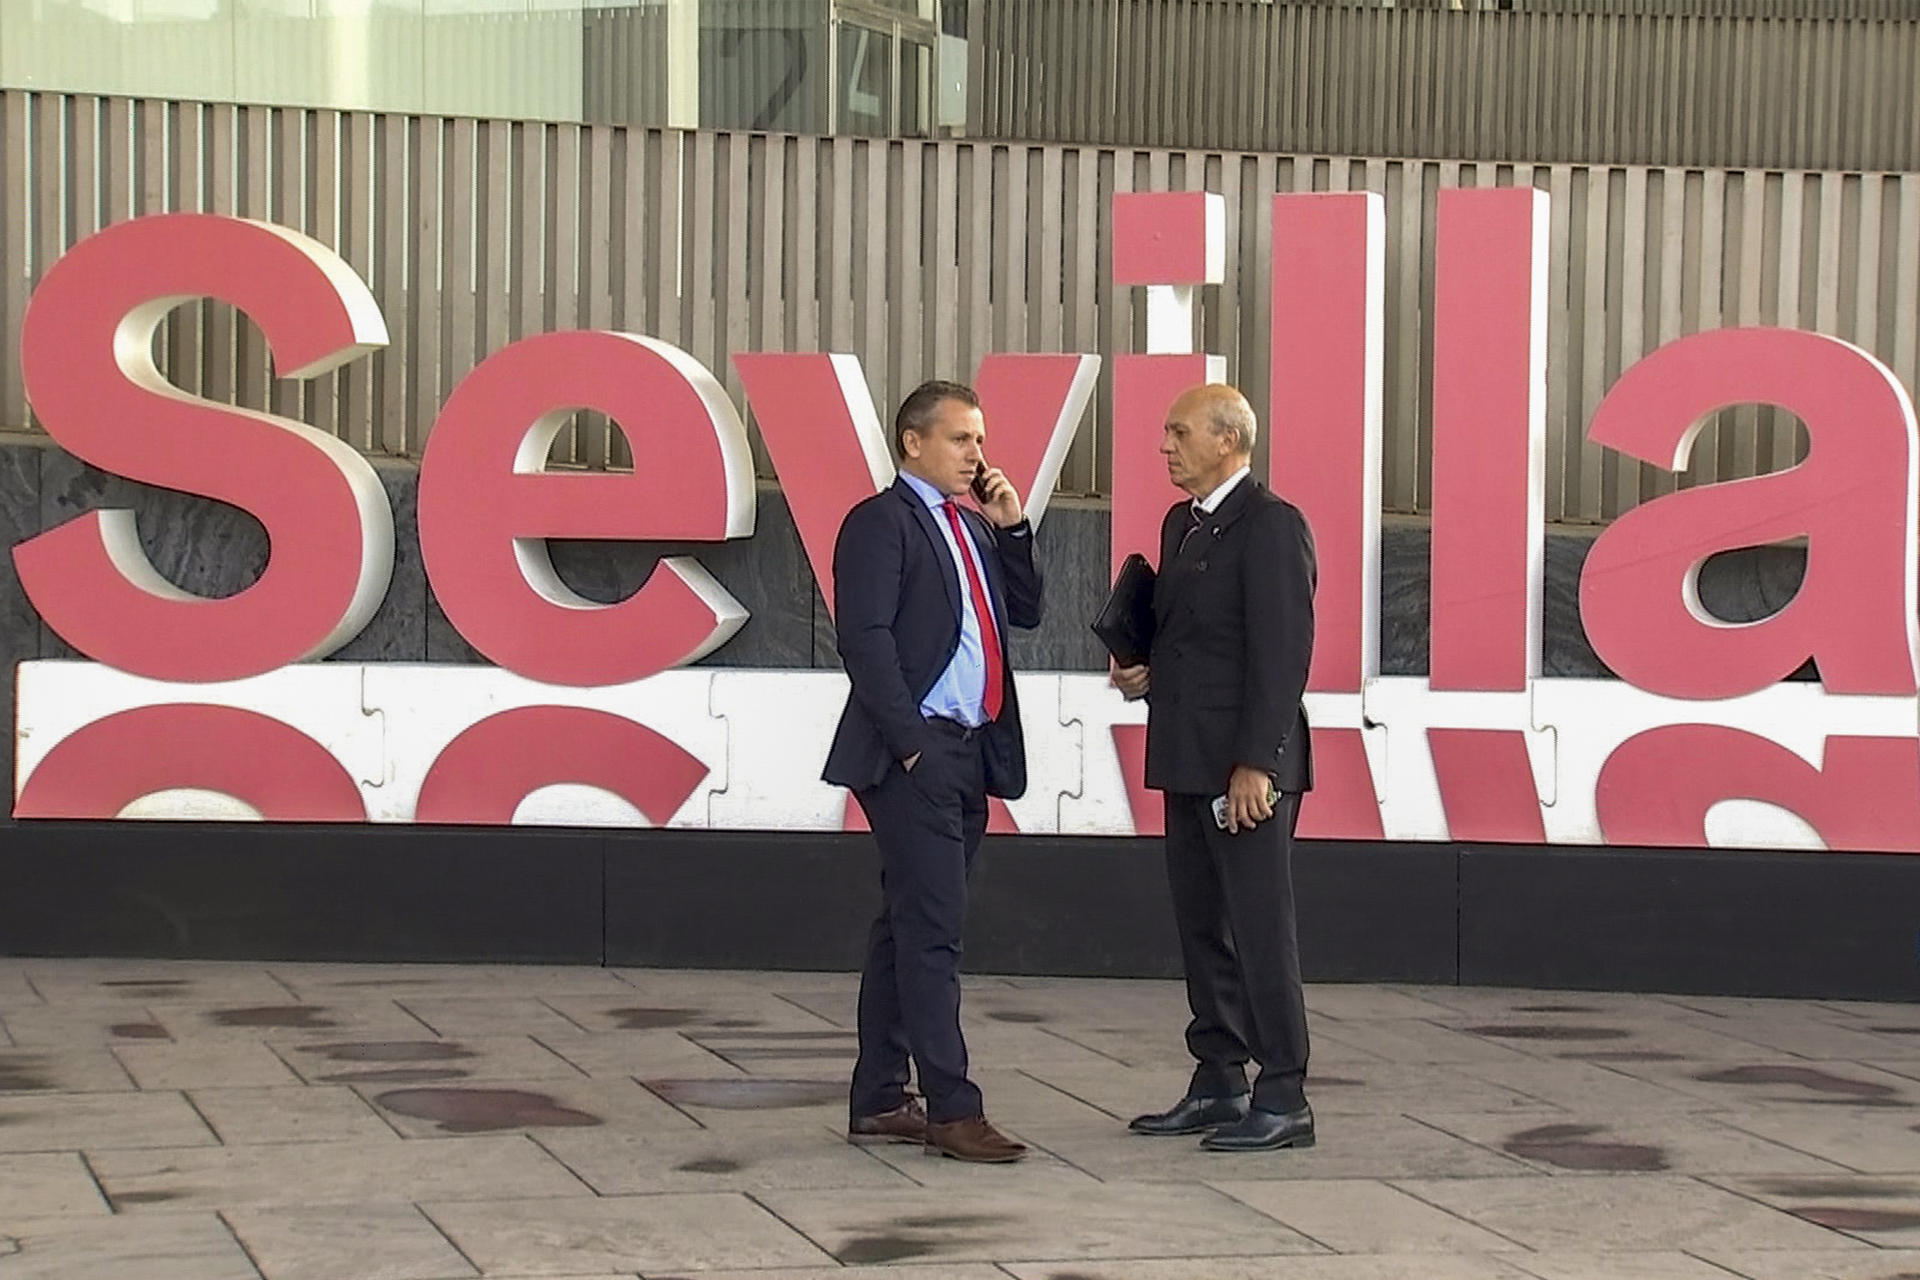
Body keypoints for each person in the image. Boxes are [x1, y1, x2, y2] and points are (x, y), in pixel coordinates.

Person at [823, 379, 1042, 1164]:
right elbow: (866, 640)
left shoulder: (973, 526)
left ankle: (881, 1096)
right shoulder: (882, 524)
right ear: (913, 442)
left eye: (980, 440)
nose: (977, 455)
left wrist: (1013, 529)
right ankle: (953, 1108)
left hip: (971, 749)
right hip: (913, 753)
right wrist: (911, 744)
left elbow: (1025, 611)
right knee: (934, 934)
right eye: (961, 440)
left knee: (907, 925)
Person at [1110, 383, 1318, 1153]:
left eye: (1179, 431)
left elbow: (1281, 652)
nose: (1165, 444)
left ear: (1229, 441)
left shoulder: (1270, 526)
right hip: (1186, 758)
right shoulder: (1181, 526)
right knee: (1202, 928)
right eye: (1165, 431)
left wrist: (1255, 764)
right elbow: (1199, 637)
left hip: (1244, 770)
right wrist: (1149, 671)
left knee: (1261, 930)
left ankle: (1285, 1091)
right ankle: (1220, 1078)